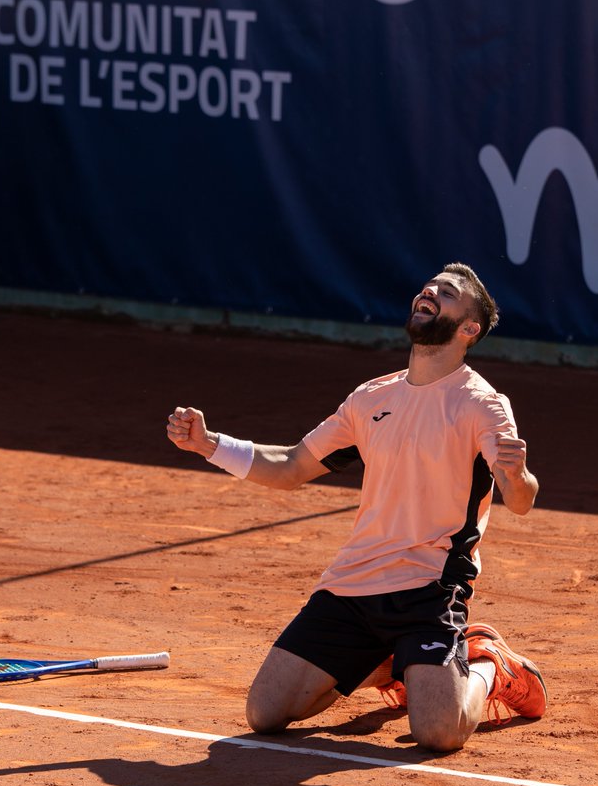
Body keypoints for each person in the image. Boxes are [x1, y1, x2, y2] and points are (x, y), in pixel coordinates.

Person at [166, 262, 546, 752]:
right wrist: (209, 444)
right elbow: (291, 465)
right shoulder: (371, 398)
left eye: (447, 293)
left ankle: (490, 665)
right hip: (353, 584)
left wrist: (516, 476)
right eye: (428, 287)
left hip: (429, 587)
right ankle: (397, 664)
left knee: (438, 732)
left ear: (469, 328)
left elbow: (520, 501)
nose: (428, 292)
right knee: (265, 713)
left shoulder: (482, 404)